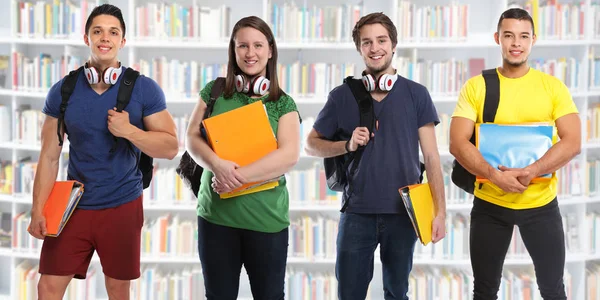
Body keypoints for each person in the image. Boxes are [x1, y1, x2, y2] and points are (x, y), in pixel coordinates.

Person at [27, 4, 178, 299]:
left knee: (118, 289)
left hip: (122, 203)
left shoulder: (144, 88)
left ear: (123, 41)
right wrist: (37, 210)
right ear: (87, 38)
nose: (105, 38)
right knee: (47, 286)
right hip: (74, 205)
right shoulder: (63, 90)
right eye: (97, 31)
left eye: (113, 32)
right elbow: (49, 156)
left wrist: (130, 131)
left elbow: (171, 147)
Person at [305, 12, 447, 300]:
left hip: (404, 213)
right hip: (356, 213)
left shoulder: (417, 94)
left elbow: (431, 157)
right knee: (349, 294)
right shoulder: (341, 96)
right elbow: (311, 145)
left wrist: (440, 212)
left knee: (397, 292)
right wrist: (346, 145)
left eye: (381, 40)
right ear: (359, 49)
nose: (375, 48)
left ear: (393, 45)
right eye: (366, 42)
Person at [449, 8, 581, 300]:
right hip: (489, 204)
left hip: (541, 205)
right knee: (484, 291)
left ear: (534, 40)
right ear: (498, 38)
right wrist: (495, 176)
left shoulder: (552, 87)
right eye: (508, 35)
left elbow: (573, 142)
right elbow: (457, 144)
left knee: (552, 289)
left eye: (523, 36)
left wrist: (531, 171)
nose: (516, 43)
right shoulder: (477, 86)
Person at [184, 16, 301, 300]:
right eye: (243, 46)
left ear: (270, 50)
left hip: (267, 221)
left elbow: (289, 155)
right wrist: (217, 166)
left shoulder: (283, 103)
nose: (251, 53)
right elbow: (191, 138)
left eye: (258, 45)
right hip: (216, 219)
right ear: (233, 51)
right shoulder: (214, 91)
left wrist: (234, 179)